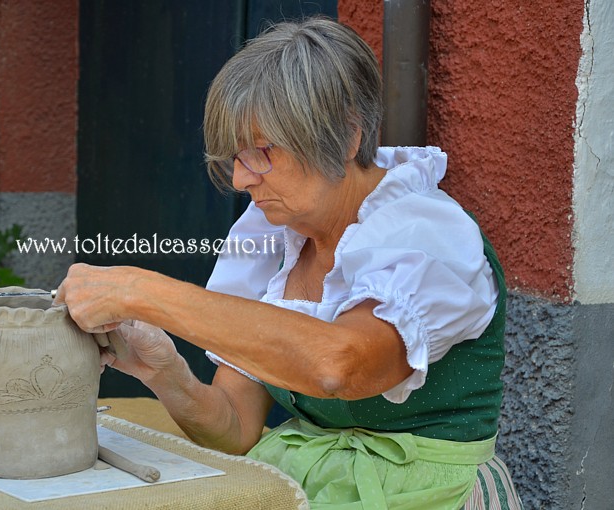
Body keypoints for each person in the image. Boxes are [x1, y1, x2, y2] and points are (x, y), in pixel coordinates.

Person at [55, 17, 522, 509]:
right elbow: (234, 427)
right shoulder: (270, 237)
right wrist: (164, 369)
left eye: (261, 151)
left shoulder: (426, 234)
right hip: (309, 488)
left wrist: (142, 291)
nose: (239, 179)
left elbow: (338, 365)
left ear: (343, 138)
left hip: (430, 497)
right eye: (235, 156)